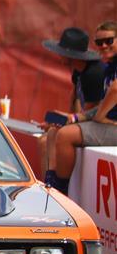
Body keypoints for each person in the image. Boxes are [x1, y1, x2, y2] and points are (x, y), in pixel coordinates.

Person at [50, 21, 117, 194]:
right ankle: (49, 186)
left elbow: (114, 91)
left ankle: (59, 193)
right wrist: (74, 118)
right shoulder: (109, 68)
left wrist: (99, 116)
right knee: (53, 131)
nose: (103, 46)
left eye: (109, 41)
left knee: (64, 134)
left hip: (110, 125)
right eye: (99, 42)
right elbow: (98, 107)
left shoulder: (96, 72)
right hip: (107, 123)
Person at [38, 27, 104, 183]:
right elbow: (73, 99)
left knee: (54, 135)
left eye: (62, 52)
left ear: (71, 56)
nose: (59, 55)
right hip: (83, 119)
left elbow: (87, 115)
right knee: (43, 139)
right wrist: (61, 120)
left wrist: (64, 123)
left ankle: (58, 186)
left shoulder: (93, 74)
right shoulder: (78, 70)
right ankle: (49, 184)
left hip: (95, 123)